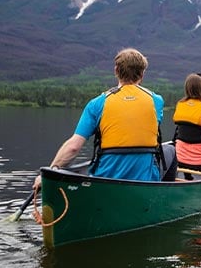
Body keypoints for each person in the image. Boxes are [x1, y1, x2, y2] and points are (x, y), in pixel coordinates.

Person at [33, 48, 164, 191]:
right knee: (169, 152)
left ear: (116, 71)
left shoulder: (97, 103)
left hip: (105, 181)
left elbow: (74, 147)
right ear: (142, 74)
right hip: (144, 182)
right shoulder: (156, 101)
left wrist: (51, 171)